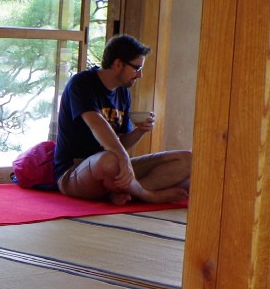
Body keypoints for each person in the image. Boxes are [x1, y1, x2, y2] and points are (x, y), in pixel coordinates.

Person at [54, 34, 191, 205]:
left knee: (187, 159)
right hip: (75, 171)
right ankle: (147, 195)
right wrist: (123, 158)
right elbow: (97, 124)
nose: (139, 75)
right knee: (109, 160)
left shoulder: (123, 93)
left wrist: (140, 131)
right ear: (118, 64)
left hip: (113, 166)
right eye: (136, 68)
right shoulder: (82, 83)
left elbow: (122, 143)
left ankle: (121, 192)